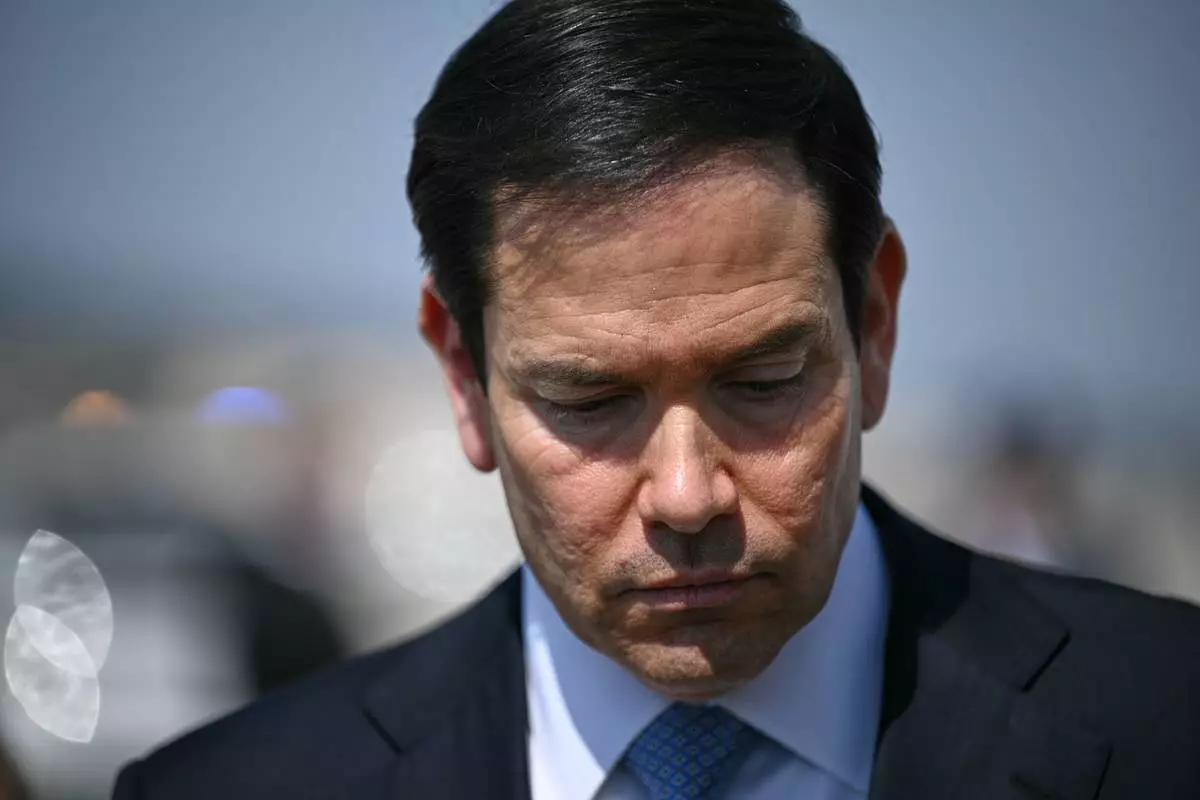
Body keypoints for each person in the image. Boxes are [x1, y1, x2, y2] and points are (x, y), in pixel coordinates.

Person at [112, 1, 1200, 798]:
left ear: (873, 323)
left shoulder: (1169, 721)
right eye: (590, 400)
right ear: (462, 373)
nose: (687, 495)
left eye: (762, 382)